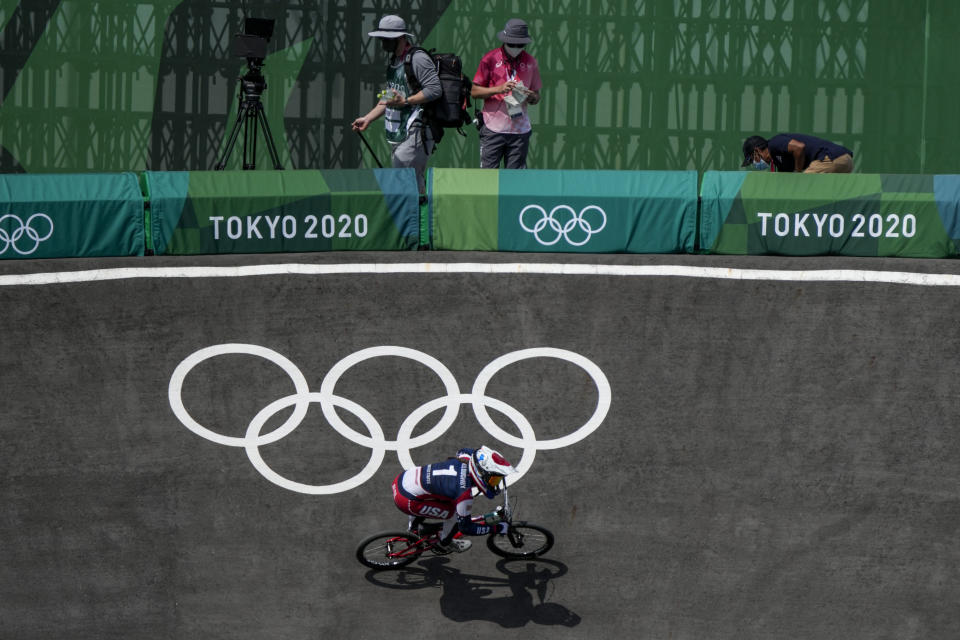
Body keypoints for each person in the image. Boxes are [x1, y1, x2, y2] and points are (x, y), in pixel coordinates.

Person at [351, 15, 442, 196]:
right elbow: (389, 96)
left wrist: (406, 101)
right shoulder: (394, 61)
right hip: (400, 129)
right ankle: (416, 218)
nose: (383, 43)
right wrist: (367, 118)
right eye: (381, 39)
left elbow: (435, 89)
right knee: (408, 179)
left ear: (401, 38)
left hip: (417, 127)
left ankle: (413, 220)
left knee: (404, 179)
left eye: (387, 39)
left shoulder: (417, 58)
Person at [392, 445, 515, 553]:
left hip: (403, 479)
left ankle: (415, 526)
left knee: (444, 497)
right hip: (406, 500)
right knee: (454, 516)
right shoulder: (464, 495)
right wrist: (497, 528)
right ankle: (444, 543)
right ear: (481, 473)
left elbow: (464, 451)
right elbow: (466, 528)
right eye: (494, 479)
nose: (495, 484)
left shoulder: (468, 458)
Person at [471, 18, 542, 169]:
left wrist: (531, 96)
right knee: (488, 178)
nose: (516, 48)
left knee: (516, 181)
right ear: (504, 41)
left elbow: (537, 96)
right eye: (512, 44)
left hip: (520, 131)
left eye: (520, 45)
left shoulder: (531, 62)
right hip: (493, 128)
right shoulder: (489, 59)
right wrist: (498, 89)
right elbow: (474, 91)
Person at [741, 133, 854, 173]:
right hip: (845, 161)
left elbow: (799, 147)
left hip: (832, 158)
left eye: (752, 160)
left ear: (757, 151)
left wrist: (797, 172)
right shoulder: (778, 161)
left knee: (802, 186)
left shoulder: (774, 143)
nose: (754, 164)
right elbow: (786, 180)